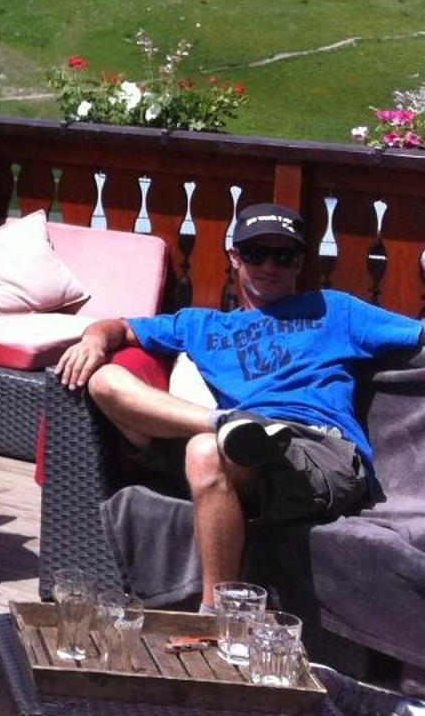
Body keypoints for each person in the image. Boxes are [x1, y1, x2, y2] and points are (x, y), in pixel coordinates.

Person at [56, 201, 425, 603]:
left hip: (315, 447)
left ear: (299, 262)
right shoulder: (201, 325)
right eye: (255, 253)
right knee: (106, 380)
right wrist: (93, 339)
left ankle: (215, 616)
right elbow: (119, 328)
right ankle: (225, 423)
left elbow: (418, 335)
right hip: (230, 438)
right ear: (234, 257)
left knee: (204, 451)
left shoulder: (334, 310)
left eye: (283, 255)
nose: (269, 265)